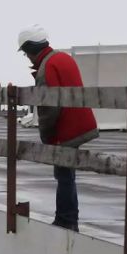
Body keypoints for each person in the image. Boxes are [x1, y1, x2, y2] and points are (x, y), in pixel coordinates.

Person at [18, 25, 98, 231]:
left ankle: (67, 220)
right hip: (81, 123)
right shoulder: (63, 58)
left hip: (67, 129)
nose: (26, 57)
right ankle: (68, 218)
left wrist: (46, 135)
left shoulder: (46, 68)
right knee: (67, 174)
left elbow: (48, 110)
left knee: (63, 175)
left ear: (30, 49)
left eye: (25, 52)